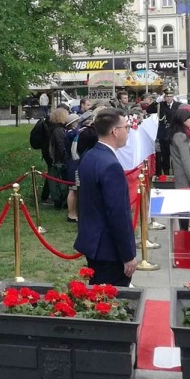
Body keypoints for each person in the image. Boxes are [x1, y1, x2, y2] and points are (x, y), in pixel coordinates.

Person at [73, 108, 137, 287]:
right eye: (126, 127)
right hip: (109, 249)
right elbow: (118, 215)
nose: (128, 131)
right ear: (115, 131)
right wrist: (128, 255)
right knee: (112, 300)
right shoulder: (111, 165)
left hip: (93, 242)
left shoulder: (90, 156)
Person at [40, 108, 69, 209]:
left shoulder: (53, 128)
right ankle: (58, 199)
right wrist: (65, 158)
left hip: (54, 157)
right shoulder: (59, 130)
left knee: (53, 179)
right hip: (58, 159)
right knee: (58, 180)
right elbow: (60, 146)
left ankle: (53, 198)